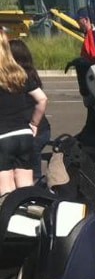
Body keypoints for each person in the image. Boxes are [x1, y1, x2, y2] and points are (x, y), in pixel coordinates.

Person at [0, 33, 46, 195]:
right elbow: (42, 99)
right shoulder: (19, 74)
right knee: (26, 187)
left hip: (2, 136)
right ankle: (29, 214)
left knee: (6, 191)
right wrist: (34, 123)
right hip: (24, 134)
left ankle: (9, 217)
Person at [10, 39, 50, 182]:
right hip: (42, 129)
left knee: (27, 171)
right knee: (32, 168)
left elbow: (42, 100)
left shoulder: (17, 77)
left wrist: (33, 124)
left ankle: (32, 193)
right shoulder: (31, 73)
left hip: (30, 130)